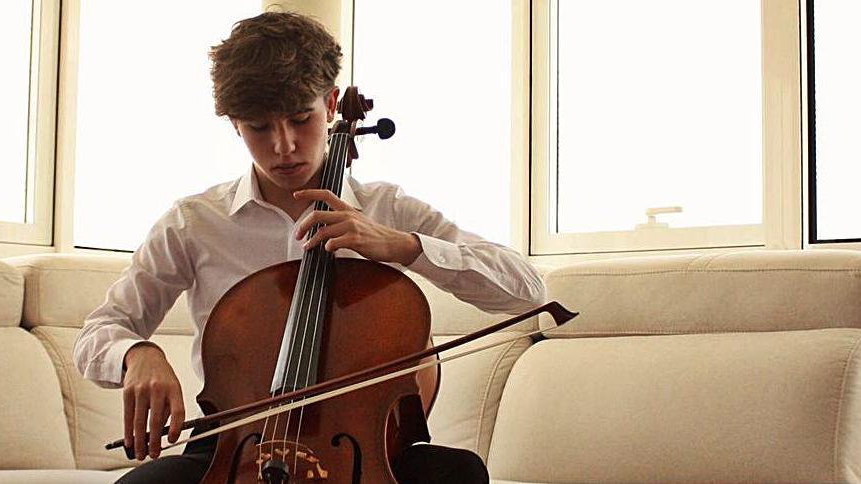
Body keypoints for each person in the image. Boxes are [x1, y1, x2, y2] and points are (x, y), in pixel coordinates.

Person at [74, 11, 545, 484]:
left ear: (332, 103)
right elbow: (99, 332)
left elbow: (527, 290)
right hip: (236, 445)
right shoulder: (194, 222)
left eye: (302, 119)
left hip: (372, 449)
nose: (284, 146)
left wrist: (403, 246)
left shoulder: (386, 207)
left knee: (458, 474)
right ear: (235, 125)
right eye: (259, 127)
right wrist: (137, 353)